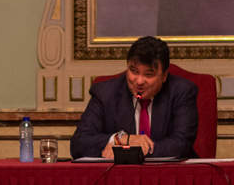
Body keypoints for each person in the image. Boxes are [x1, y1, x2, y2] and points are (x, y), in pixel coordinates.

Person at [70, 36, 199, 161]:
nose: (139, 81)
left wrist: (128, 152)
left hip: (168, 173)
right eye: (134, 71)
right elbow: (79, 144)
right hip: (119, 174)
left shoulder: (182, 91)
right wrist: (120, 139)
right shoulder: (105, 93)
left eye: (148, 74)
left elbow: (181, 144)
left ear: (164, 76)